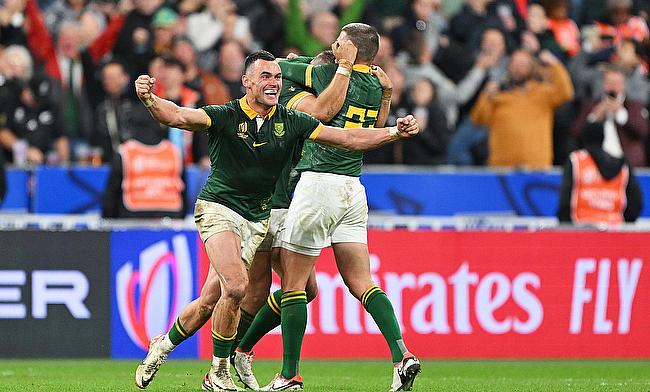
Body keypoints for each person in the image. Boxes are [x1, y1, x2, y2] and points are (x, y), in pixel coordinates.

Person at [133, 49, 419, 391]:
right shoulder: (225, 115)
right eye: (266, 77)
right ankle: (220, 370)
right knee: (238, 287)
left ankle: (162, 346)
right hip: (220, 209)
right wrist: (150, 99)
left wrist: (394, 134)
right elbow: (179, 116)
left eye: (278, 77)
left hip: (260, 217)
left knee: (214, 299)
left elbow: (347, 137)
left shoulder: (292, 120)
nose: (274, 83)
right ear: (247, 82)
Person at [260, 24, 421, 392]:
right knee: (362, 282)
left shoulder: (328, 73)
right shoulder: (378, 84)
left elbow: (277, 71)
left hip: (318, 184)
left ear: (349, 47)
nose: (332, 45)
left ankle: (289, 375)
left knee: (294, 285)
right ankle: (402, 356)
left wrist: (289, 64)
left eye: (338, 41)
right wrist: (387, 96)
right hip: (353, 188)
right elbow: (375, 131)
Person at [471, 49, 574, 169]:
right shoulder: (498, 96)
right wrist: (486, 95)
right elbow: (478, 119)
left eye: (523, 65)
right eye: (514, 64)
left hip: (537, 166)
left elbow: (566, 93)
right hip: (502, 168)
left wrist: (555, 64)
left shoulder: (543, 93)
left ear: (532, 68)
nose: (518, 69)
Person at [557, 121, 642, 225]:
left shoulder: (576, 161)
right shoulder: (622, 165)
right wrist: (623, 224)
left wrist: (567, 226)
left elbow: (565, 200)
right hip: (615, 231)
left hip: (581, 231)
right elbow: (636, 202)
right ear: (603, 138)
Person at [101, 126, 185, 219]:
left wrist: (107, 220)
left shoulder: (125, 151)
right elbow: (184, 192)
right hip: (171, 214)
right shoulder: (174, 151)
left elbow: (111, 194)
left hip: (132, 216)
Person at [572, 66, 648, 167]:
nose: (613, 87)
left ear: (623, 85)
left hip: (628, 163)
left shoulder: (634, 106)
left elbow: (643, 131)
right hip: (596, 163)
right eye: (609, 83)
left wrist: (621, 113)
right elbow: (576, 133)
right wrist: (594, 117)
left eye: (616, 83)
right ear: (603, 84)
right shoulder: (591, 105)